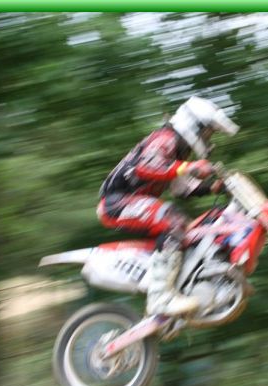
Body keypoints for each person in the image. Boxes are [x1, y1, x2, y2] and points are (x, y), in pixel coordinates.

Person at [97, 96, 239, 316]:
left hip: (132, 203)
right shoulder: (165, 138)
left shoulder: (178, 152)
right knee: (173, 219)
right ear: (194, 125)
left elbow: (181, 189)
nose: (209, 138)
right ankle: (160, 297)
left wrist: (213, 188)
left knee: (191, 229)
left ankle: (184, 285)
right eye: (208, 132)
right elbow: (147, 164)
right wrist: (190, 167)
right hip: (115, 202)